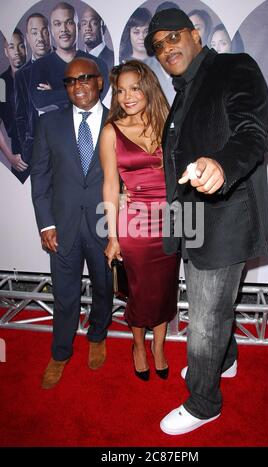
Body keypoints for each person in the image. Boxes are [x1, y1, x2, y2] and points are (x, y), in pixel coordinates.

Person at [144, 8, 268, 434]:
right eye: (158, 47)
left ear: (195, 34)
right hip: (193, 221)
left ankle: (204, 403)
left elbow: (253, 132)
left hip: (226, 217)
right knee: (215, 309)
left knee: (203, 318)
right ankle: (226, 360)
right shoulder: (183, 92)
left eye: (173, 37)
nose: (167, 49)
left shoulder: (234, 67)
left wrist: (221, 164)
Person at [31, 57, 113, 389]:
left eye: (84, 79)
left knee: (104, 287)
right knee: (64, 294)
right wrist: (45, 223)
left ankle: (97, 334)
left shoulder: (118, 121)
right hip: (61, 226)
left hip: (104, 225)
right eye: (69, 82)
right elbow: (40, 176)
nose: (77, 86)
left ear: (99, 83)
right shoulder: (49, 123)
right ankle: (60, 352)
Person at [100, 60, 179, 381]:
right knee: (139, 291)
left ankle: (158, 347)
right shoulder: (111, 132)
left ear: (147, 88)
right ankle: (137, 345)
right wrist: (113, 235)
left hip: (171, 223)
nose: (127, 96)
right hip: (133, 225)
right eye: (120, 90)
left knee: (163, 290)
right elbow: (109, 183)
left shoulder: (169, 124)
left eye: (134, 88)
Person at [29, 2, 109, 113]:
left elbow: (97, 98)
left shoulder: (97, 64)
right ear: (51, 30)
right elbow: (39, 101)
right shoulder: (39, 66)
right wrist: (82, 92)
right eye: (57, 24)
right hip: (55, 129)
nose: (63, 29)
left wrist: (54, 92)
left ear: (78, 26)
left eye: (69, 22)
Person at [14, 13, 52, 183]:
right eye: (35, 33)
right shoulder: (22, 75)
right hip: (35, 150)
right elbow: (20, 115)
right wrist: (27, 144)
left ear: (50, 33)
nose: (40, 38)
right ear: (28, 37)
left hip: (64, 148)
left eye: (44, 31)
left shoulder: (66, 66)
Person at [0, 29, 27, 175]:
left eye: (21, 45)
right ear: (5, 52)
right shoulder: (1, 84)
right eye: (11, 47)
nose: (17, 51)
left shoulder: (38, 75)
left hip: (46, 152)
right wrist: (10, 157)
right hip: (20, 156)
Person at [80, 5, 114, 72]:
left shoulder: (113, 58)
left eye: (94, 23)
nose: (88, 28)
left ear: (103, 28)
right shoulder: (76, 59)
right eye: (84, 24)